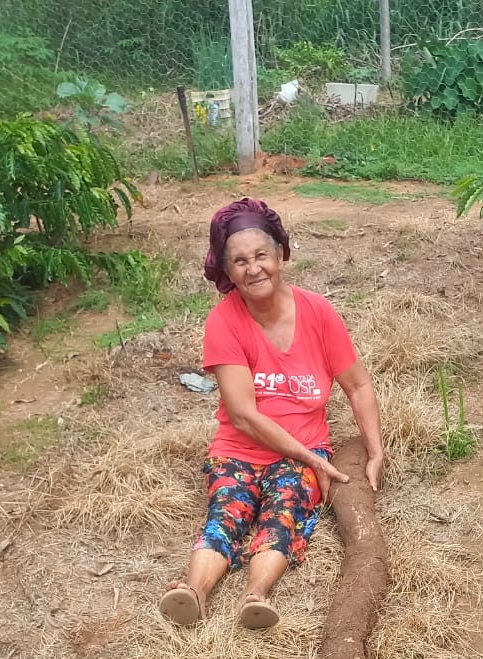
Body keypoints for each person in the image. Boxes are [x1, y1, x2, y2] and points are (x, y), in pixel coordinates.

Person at [159, 197, 383, 629]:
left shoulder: (318, 312)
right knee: (226, 512)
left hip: (301, 454)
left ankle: (255, 595)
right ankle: (193, 592)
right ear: (227, 271)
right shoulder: (223, 322)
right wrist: (315, 458)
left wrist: (375, 451)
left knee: (283, 514)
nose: (253, 268)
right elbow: (242, 415)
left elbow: (357, 384)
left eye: (261, 255)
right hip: (239, 451)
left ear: (281, 254)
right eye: (239, 261)